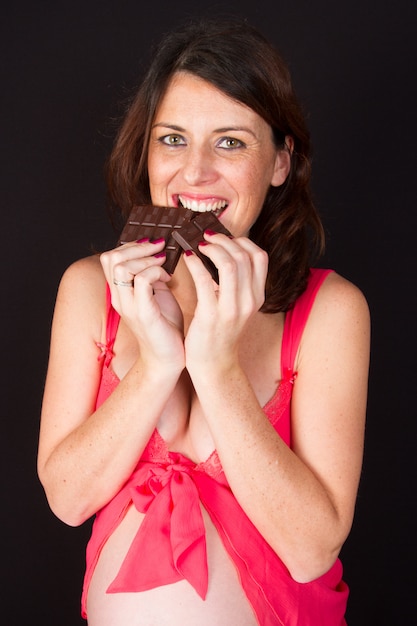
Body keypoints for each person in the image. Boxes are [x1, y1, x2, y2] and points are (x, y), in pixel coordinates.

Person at [37, 17, 370, 626]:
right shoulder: (91, 289)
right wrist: (159, 363)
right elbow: (67, 499)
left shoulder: (331, 311)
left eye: (230, 142)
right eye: (172, 139)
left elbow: (311, 548)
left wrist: (215, 369)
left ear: (279, 161)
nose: (194, 173)